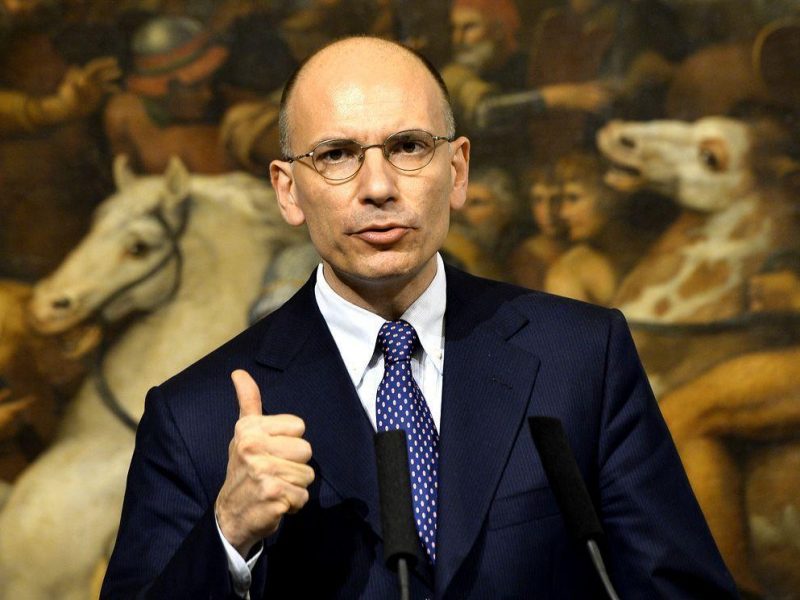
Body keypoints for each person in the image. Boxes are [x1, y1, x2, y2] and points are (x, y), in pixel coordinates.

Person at [101, 36, 738, 598]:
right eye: (335, 155)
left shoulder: (580, 357)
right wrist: (229, 538)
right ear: (287, 191)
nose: (378, 187)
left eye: (408, 146)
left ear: (456, 170)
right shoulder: (195, 416)